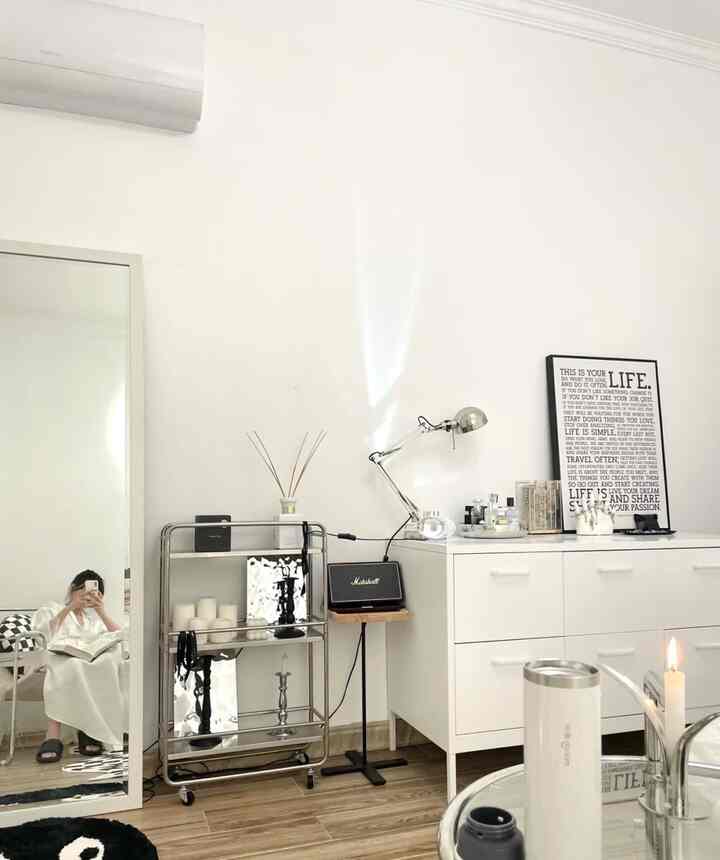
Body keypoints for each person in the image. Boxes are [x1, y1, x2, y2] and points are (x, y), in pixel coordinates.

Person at [33, 570, 128, 764]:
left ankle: (89, 729)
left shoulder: (93, 621)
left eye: (94, 593)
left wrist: (101, 611)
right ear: (72, 589)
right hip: (57, 658)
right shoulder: (51, 609)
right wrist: (70, 607)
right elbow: (42, 634)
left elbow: (121, 636)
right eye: (83, 591)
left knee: (108, 663)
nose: (87, 596)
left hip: (87, 662)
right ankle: (53, 735)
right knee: (73, 667)